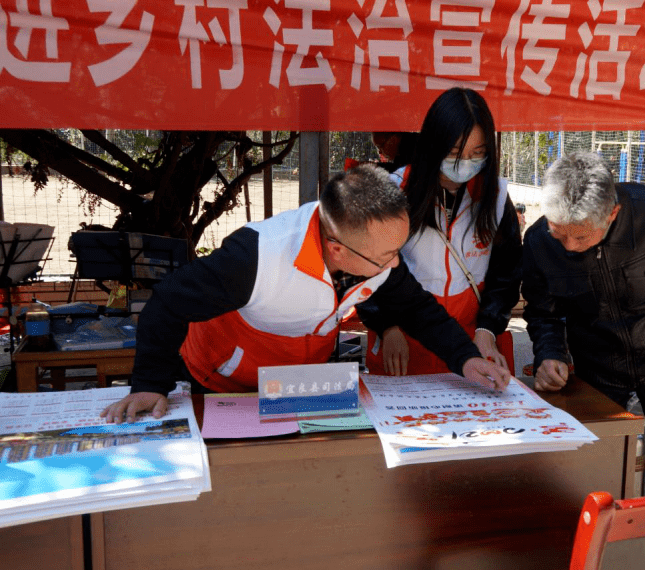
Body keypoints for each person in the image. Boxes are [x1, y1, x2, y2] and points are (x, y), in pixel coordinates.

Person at [102, 164, 509, 424]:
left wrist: (466, 359)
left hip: (298, 385)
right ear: (337, 249)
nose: (395, 265)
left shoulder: (376, 253)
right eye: (386, 256)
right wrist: (149, 383)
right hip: (224, 380)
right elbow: (168, 301)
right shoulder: (257, 255)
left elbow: (420, 310)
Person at [522, 151, 645, 493]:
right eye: (560, 234)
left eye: (582, 236)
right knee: (594, 467)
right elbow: (543, 310)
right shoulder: (538, 241)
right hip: (597, 365)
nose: (571, 247)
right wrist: (550, 354)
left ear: (613, 214)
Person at [360, 87, 522, 376]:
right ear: (433, 145)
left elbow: (506, 274)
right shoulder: (393, 192)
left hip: (473, 345)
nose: (464, 165)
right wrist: (386, 325)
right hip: (402, 345)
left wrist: (487, 329)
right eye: (454, 153)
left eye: (477, 154)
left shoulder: (495, 198)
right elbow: (366, 270)